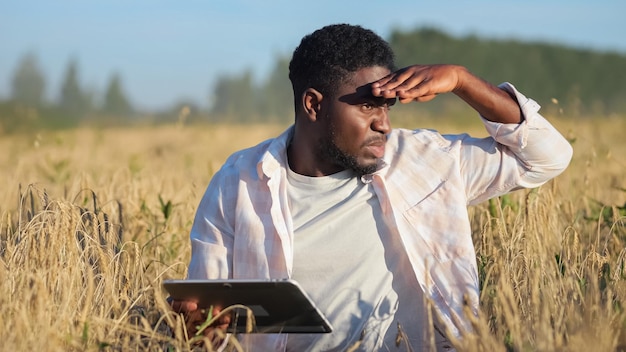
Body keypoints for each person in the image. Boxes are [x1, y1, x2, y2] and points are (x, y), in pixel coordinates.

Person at [170, 24, 573, 351]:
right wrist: (199, 328)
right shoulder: (238, 182)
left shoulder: (424, 161)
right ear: (313, 105)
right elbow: (208, 321)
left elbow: (546, 156)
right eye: (368, 106)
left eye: (387, 106)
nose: (384, 122)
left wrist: (462, 81)